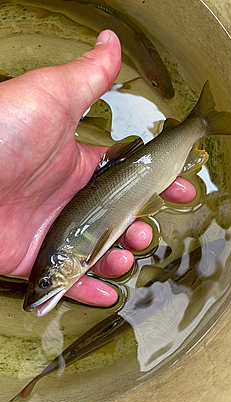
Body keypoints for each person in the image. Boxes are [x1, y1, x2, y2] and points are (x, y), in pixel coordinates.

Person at [0, 30, 196, 308]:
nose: (42, 292)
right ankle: (195, 126)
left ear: (66, 260)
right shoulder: (70, 255)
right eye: (43, 284)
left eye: (46, 282)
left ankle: (198, 124)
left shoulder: (75, 253)